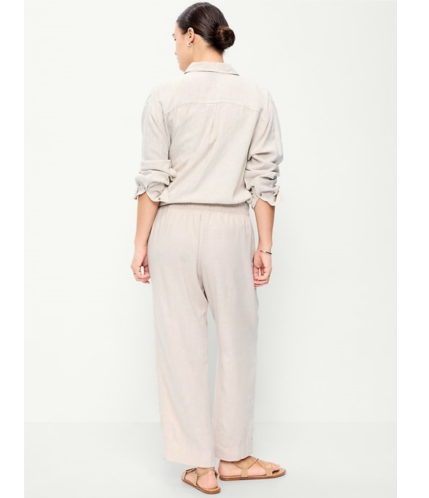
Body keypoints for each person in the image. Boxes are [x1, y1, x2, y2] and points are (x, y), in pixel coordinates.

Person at [131, 2, 287, 494]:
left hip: (174, 227)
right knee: (239, 340)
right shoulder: (256, 96)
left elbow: (153, 177)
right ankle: (234, 457)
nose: (174, 49)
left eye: (175, 39)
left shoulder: (164, 95)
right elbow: (264, 177)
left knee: (180, 344)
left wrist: (140, 243)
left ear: (192, 37)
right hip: (231, 226)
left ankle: (199, 465)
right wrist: (265, 246)